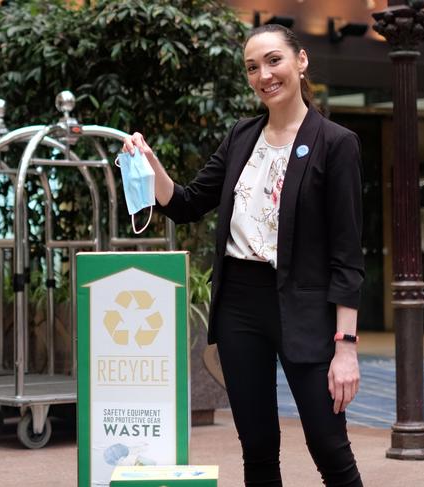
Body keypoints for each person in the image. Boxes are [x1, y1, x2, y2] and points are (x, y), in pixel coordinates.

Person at [123, 24, 364, 487]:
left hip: (306, 308)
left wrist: (346, 347)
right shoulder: (242, 136)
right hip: (239, 304)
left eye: (274, 60)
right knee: (256, 449)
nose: (264, 75)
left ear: (301, 60)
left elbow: (347, 255)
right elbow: (189, 202)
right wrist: (152, 165)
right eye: (252, 67)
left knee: (329, 446)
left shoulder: (336, 143)